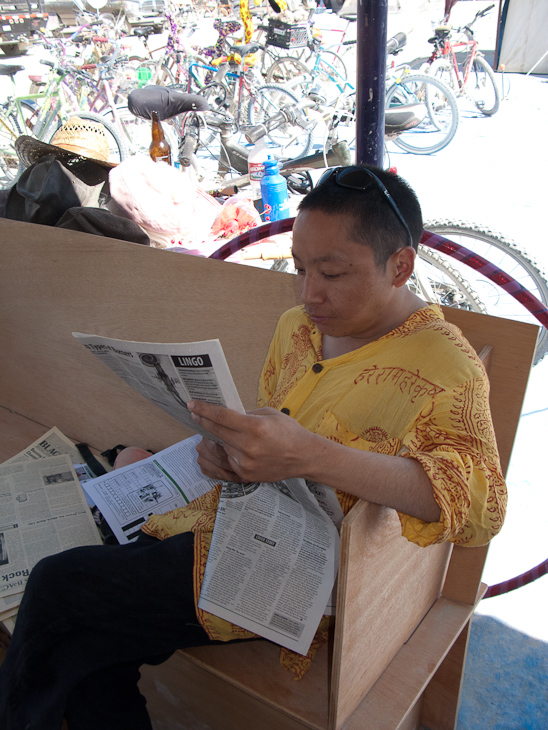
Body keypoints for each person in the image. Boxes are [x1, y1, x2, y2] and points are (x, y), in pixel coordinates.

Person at [0, 165, 506, 730]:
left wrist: (310, 456)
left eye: (333, 273)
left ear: (401, 266)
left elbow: (479, 509)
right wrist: (231, 458)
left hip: (302, 573)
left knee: (55, 587)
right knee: (83, 652)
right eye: (300, 267)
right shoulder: (297, 327)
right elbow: (271, 440)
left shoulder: (445, 367)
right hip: (238, 519)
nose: (309, 292)